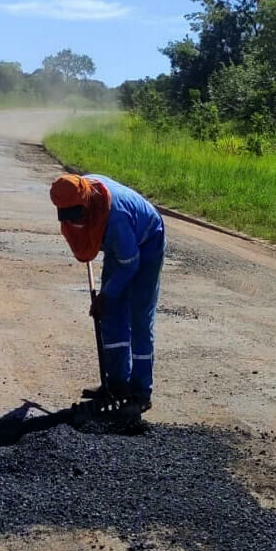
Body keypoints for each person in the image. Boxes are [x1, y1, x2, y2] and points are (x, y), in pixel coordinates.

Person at [50, 173, 165, 412]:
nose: (72, 219)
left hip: (147, 240)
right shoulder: (75, 189)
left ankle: (141, 392)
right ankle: (116, 384)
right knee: (111, 316)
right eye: (65, 215)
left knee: (140, 318)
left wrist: (105, 295)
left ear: (86, 201)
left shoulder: (117, 218)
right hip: (120, 248)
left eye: (76, 214)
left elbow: (130, 263)